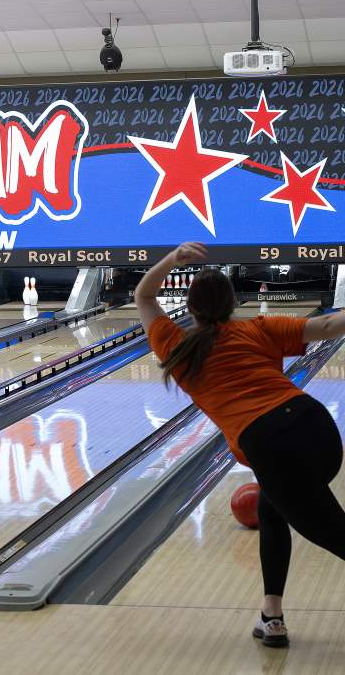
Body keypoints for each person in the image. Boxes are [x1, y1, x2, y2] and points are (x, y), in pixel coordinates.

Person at [134, 242, 345, 648]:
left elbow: (143, 295)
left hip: (272, 444)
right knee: (271, 510)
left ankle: (273, 617)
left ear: (190, 308)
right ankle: (271, 616)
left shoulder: (175, 346)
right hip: (316, 426)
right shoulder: (258, 329)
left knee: (336, 536)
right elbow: (330, 327)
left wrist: (169, 261)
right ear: (233, 304)